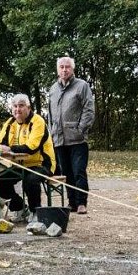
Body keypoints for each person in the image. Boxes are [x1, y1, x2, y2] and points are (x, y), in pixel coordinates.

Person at [0, 94, 57, 222]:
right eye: (15, 106)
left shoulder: (38, 121)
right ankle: (20, 208)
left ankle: (36, 212)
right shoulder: (10, 122)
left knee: (30, 180)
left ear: (28, 107)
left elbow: (31, 147)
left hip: (42, 164)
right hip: (20, 164)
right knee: (0, 180)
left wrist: (10, 148)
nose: (17, 109)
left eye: (21, 106)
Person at [48, 57, 95, 214]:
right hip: (59, 139)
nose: (64, 70)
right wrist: (51, 132)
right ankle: (72, 203)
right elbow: (50, 114)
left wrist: (81, 129)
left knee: (78, 171)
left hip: (77, 139)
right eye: (61, 67)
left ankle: (82, 203)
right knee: (66, 173)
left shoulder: (82, 86)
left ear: (72, 69)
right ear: (57, 69)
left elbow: (89, 109)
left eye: (67, 67)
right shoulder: (53, 88)